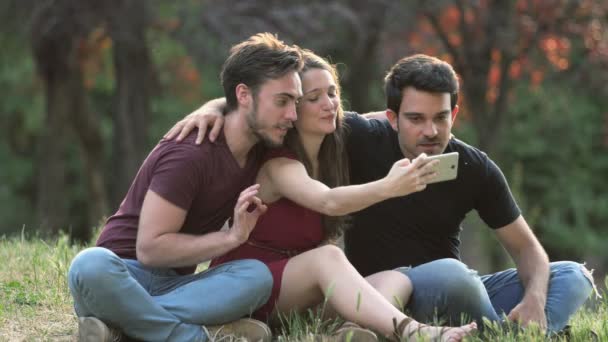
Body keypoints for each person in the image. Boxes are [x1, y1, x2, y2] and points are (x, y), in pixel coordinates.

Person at [166, 53, 596, 334]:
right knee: (448, 272)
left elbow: (528, 250)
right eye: (415, 118)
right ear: (390, 117)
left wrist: (535, 300)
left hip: (436, 288)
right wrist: (211, 109)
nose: (429, 131)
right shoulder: (355, 137)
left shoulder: (474, 166)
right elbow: (265, 100)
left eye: (440, 118)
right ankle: (485, 332)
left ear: (455, 114)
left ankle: (505, 331)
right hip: (386, 288)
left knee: (571, 276)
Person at [211, 50, 477, 341]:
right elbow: (329, 201)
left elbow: (380, 118)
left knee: (396, 277)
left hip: (296, 296)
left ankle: (349, 333)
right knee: (327, 257)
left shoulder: (334, 155)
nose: (329, 104)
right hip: (244, 289)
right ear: (291, 108)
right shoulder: (278, 165)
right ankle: (414, 332)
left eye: (333, 92)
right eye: (314, 98)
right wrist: (390, 186)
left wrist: (427, 124)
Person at [67, 33, 304, 342]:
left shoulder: (263, 142)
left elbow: (332, 117)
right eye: (283, 101)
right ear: (244, 96)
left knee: (258, 277)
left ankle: (120, 326)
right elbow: (150, 249)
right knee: (89, 264)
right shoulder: (190, 153)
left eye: (296, 101)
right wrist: (229, 238)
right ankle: (193, 337)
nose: (293, 115)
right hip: (120, 275)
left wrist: (388, 119)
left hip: (177, 287)